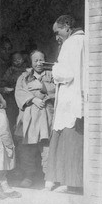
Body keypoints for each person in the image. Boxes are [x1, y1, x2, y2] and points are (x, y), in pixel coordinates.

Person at [45, 15, 85, 193]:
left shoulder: (71, 43)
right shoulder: (83, 40)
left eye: (57, 31)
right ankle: (67, 181)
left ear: (67, 26)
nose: (56, 37)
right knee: (68, 139)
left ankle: (71, 184)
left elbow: (66, 74)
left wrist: (54, 68)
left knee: (70, 140)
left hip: (70, 100)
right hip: (75, 98)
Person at [14, 50, 56, 188]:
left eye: (41, 60)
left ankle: (48, 177)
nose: (39, 63)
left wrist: (42, 87)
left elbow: (57, 90)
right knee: (28, 147)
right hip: (29, 116)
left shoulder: (51, 75)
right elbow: (19, 92)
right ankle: (28, 176)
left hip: (46, 115)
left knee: (46, 147)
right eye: (35, 60)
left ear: (45, 60)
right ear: (31, 63)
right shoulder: (24, 77)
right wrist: (33, 99)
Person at [0, 51, 27, 135]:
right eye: (15, 60)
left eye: (19, 59)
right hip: (12, 97)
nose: (17, 61)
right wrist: (6, 88)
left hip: (23, 96)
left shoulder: (26, 70)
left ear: (23, 60)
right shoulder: (10, 70)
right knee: (12, 116)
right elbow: (4, 81)